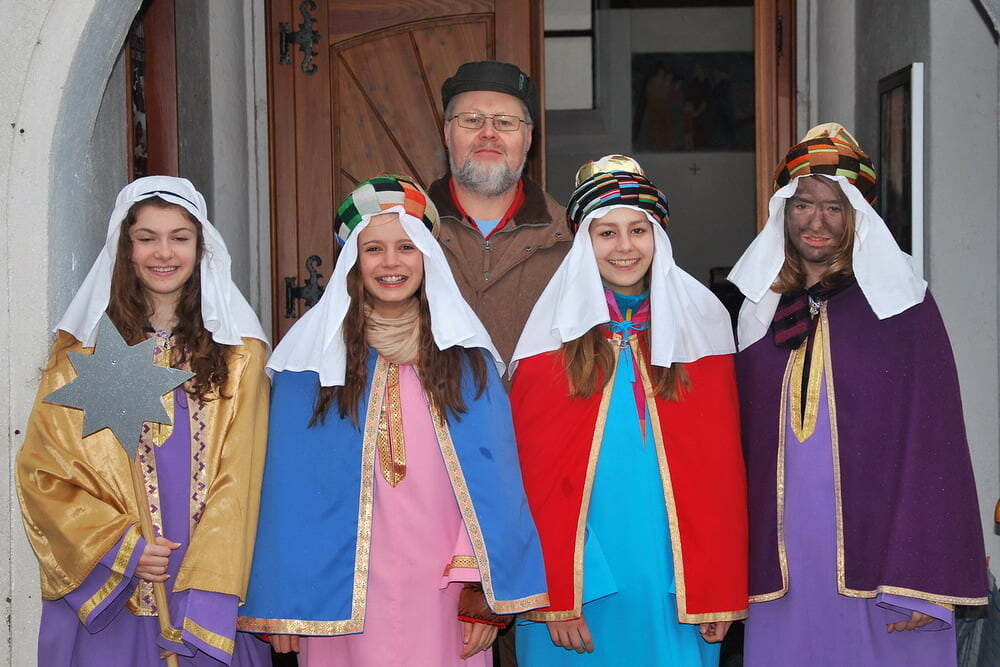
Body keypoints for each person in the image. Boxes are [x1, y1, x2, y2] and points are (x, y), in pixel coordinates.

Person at [236, 175, 548, 666]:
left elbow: (494, 481)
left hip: (443, 588)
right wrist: (286, 598)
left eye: (406, 247)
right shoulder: (308, 364)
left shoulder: (466, 358)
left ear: (427, 257)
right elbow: (286, 491)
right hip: (338, 588)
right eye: (374, 249)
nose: (391, 262)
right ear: (352, 263)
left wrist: (477, 585)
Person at [728, 123, 988, 666]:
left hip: (887, 564)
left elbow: (937, 446)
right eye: (803, 205)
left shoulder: (903, 307)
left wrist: (927, 578)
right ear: (783, 211)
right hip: (783, 563)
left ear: (858, 216)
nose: (816, 221)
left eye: (834, 208)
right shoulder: (757, 309)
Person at [16, 176, 272, 665]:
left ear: (201, 248)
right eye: (147, 237)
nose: (164, 253)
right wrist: (121, 547)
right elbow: (45, 473)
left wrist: (209, 571)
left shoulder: (240, 356)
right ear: (125, 248)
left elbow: (246, 477)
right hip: (119, 589)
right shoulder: (81, 354)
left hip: (208, 579)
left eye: (180, 237)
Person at [509, 156, 748, 665]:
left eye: (638, 230)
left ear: (658, 237)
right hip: (579, 588)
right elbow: (533, 482)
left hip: (673, 582)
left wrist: (717, 586)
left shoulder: (702, 328)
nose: (624, 246)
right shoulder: (549, 338)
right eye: (607, 233)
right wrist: (559, 591)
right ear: (583, 242)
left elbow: (722, 476)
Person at [429, 60, 572, 363]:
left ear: (528, 138)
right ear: (447, 132)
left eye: (505, 122)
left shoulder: (572, 239)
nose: (488, 133)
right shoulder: (407, 232)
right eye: (471, 120)